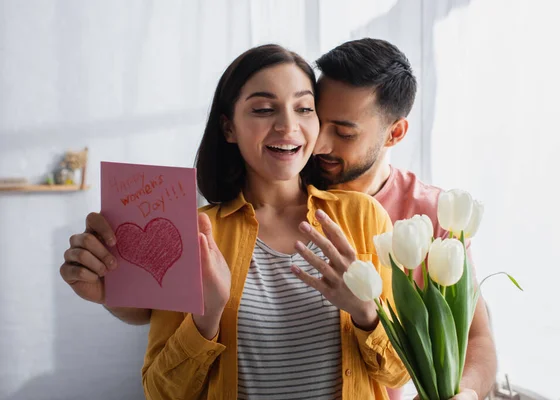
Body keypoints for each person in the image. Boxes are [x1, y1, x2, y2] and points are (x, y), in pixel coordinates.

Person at [60, 44, 409, 399]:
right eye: (262, 109)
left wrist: (366, 312)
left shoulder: (364, 216)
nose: (288, 125)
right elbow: (160, 391)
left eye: (304, 108)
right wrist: (208, 316)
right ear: (228, 128)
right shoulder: (192, 233)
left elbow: (398, 372)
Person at [312, 38, 497, 400]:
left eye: (344, 133)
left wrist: (467, 393)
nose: (318, 144)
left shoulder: (434, 217)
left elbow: (478, 339)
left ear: (394, 132)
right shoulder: (284, 193)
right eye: (315, 121)